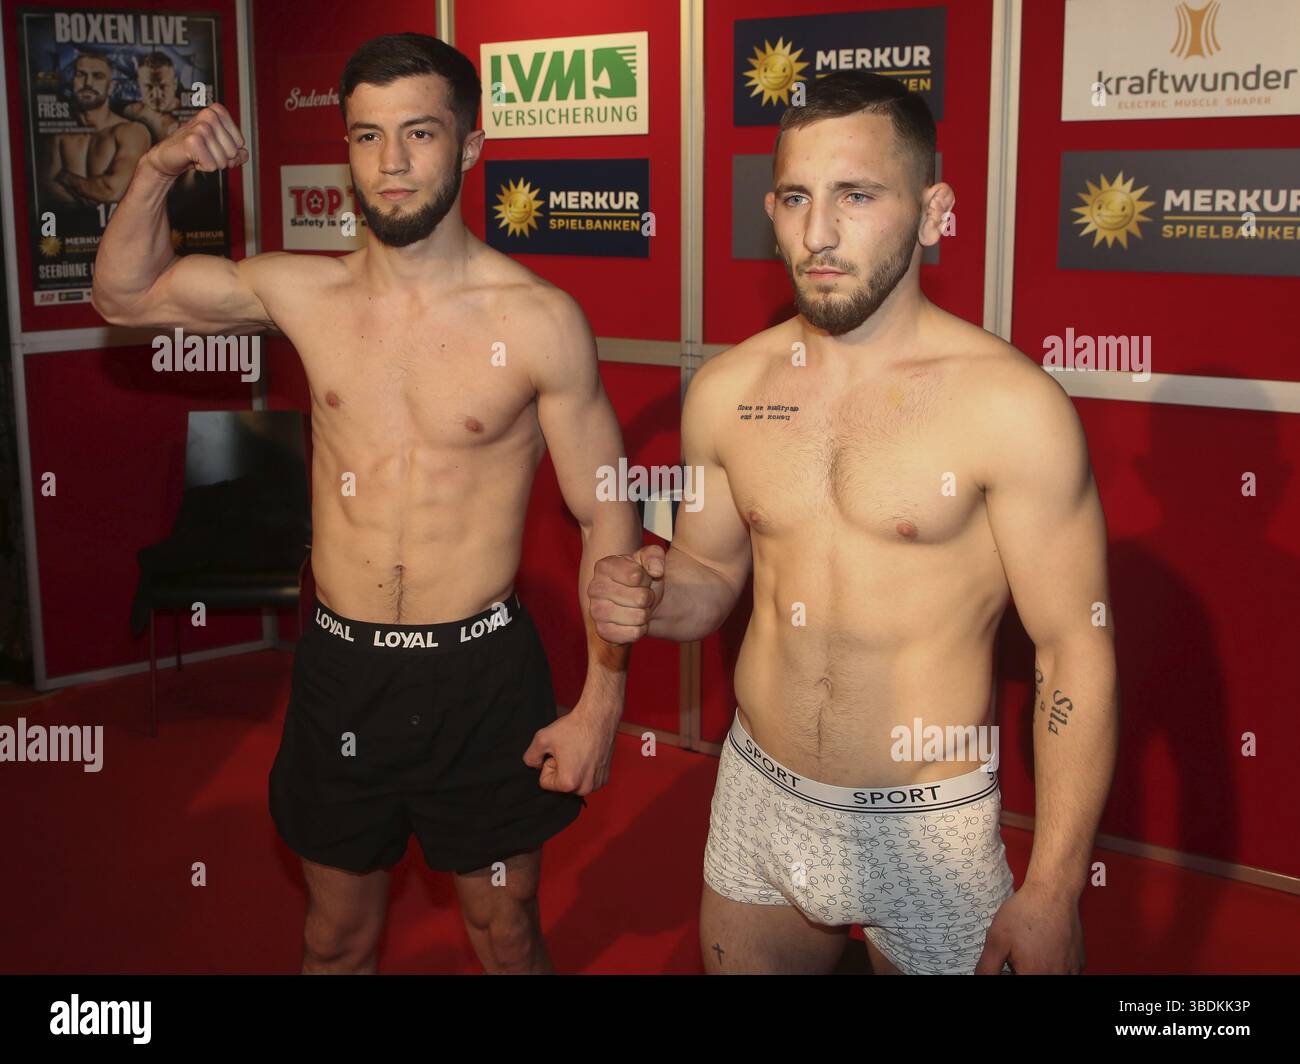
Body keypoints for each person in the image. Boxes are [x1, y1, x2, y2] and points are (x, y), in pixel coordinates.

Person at [92, 32, 640, 974]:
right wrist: (156, 168)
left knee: (505, 935)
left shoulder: (539, 321)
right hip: (343, 668)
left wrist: (601, 705)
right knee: (334, 939)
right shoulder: (304, 291)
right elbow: (122, 296)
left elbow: (608, 513)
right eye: (366, 136)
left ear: (469, 147)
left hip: (483, 679)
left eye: (420, 134)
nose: (391, 164)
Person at [589, 70, 1118, 975]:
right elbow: (710, 580)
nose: (819, 233)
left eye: (857, 195)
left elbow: (1075, 648)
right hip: (759, 795)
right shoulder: (727, 391)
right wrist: (645, 592)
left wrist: (1057, 887)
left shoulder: (1011, 407)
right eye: (796, 197)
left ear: (934, 209)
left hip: (929, 824)